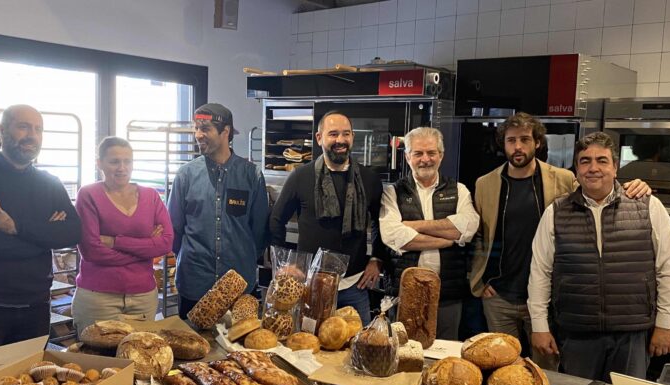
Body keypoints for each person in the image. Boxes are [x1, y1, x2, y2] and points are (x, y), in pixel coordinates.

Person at [470, 113, 650, 369]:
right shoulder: (485, 183)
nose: (517, 147)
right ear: (504, 144)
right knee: (501, 370)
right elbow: (479, 235)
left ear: (538, 143)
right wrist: (479, 279)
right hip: (499, 296)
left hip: (549, 298)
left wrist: (638, 186)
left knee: (548, 369)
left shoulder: (563, 179)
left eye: (524, 139)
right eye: (511, 141)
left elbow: (599, 186)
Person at [528, 132, 670, 382]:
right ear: (576, 169)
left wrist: (666, 323)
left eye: (601, 160)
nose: (593, 168)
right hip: (576, 334)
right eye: (585, 161)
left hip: (632, 334)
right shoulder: (556, 212)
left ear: (615, 167)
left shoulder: (647, 206)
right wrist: (539, 326)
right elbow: (540, 273)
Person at [0, 104, 82, 359]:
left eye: (38, 129)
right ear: (1, 130)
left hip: (35, 307)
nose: (32, 135)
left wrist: (16, 227)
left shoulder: (50, 183)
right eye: (23, 126)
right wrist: (44, 237)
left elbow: (72, 233)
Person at [270, 111, 386, 326]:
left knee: (358, 351)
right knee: (306, 349)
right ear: (319, 138)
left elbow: (380, 223)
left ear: (352, 137)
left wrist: (376, 259)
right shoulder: (300, 177)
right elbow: (276, 220)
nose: (340, 140)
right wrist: (285, 264)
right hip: (310, 286)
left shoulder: (369, 180)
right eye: (333, 134)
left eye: (346, 134)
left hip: (355, 286)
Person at [168, 103, 269, 319]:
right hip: (194, 282)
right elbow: (174, 230)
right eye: (196, 128)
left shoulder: (251, 175)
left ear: (226, 132)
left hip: (239, 286)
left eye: (205, 129)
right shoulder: (185, 176)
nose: (198, 135)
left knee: (240, 350)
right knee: (193, 349)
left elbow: (259, 231)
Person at [379, 127, 479, 340]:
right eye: (418, 153)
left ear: (441, 156)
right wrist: (447, 240)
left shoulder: (459, 190)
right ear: (407, 157)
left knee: (444, 356)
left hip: (448, 296)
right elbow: (393, 236)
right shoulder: (393, 192)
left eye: (431, 153)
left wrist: (415, 225)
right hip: (405, 295)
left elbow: (467, 228)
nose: (426, 159)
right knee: (403, 354)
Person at [71, 137, 173, 334]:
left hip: (143, 297)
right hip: (98, 297)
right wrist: (145, 248)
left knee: (141, 360)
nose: (122, 168)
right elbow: (92, 252)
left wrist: (115, 242)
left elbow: (166, 243)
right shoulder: (89, 195)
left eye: (127, 161)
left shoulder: (150, 196)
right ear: (99, 163)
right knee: (97, 360)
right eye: (114, 161)